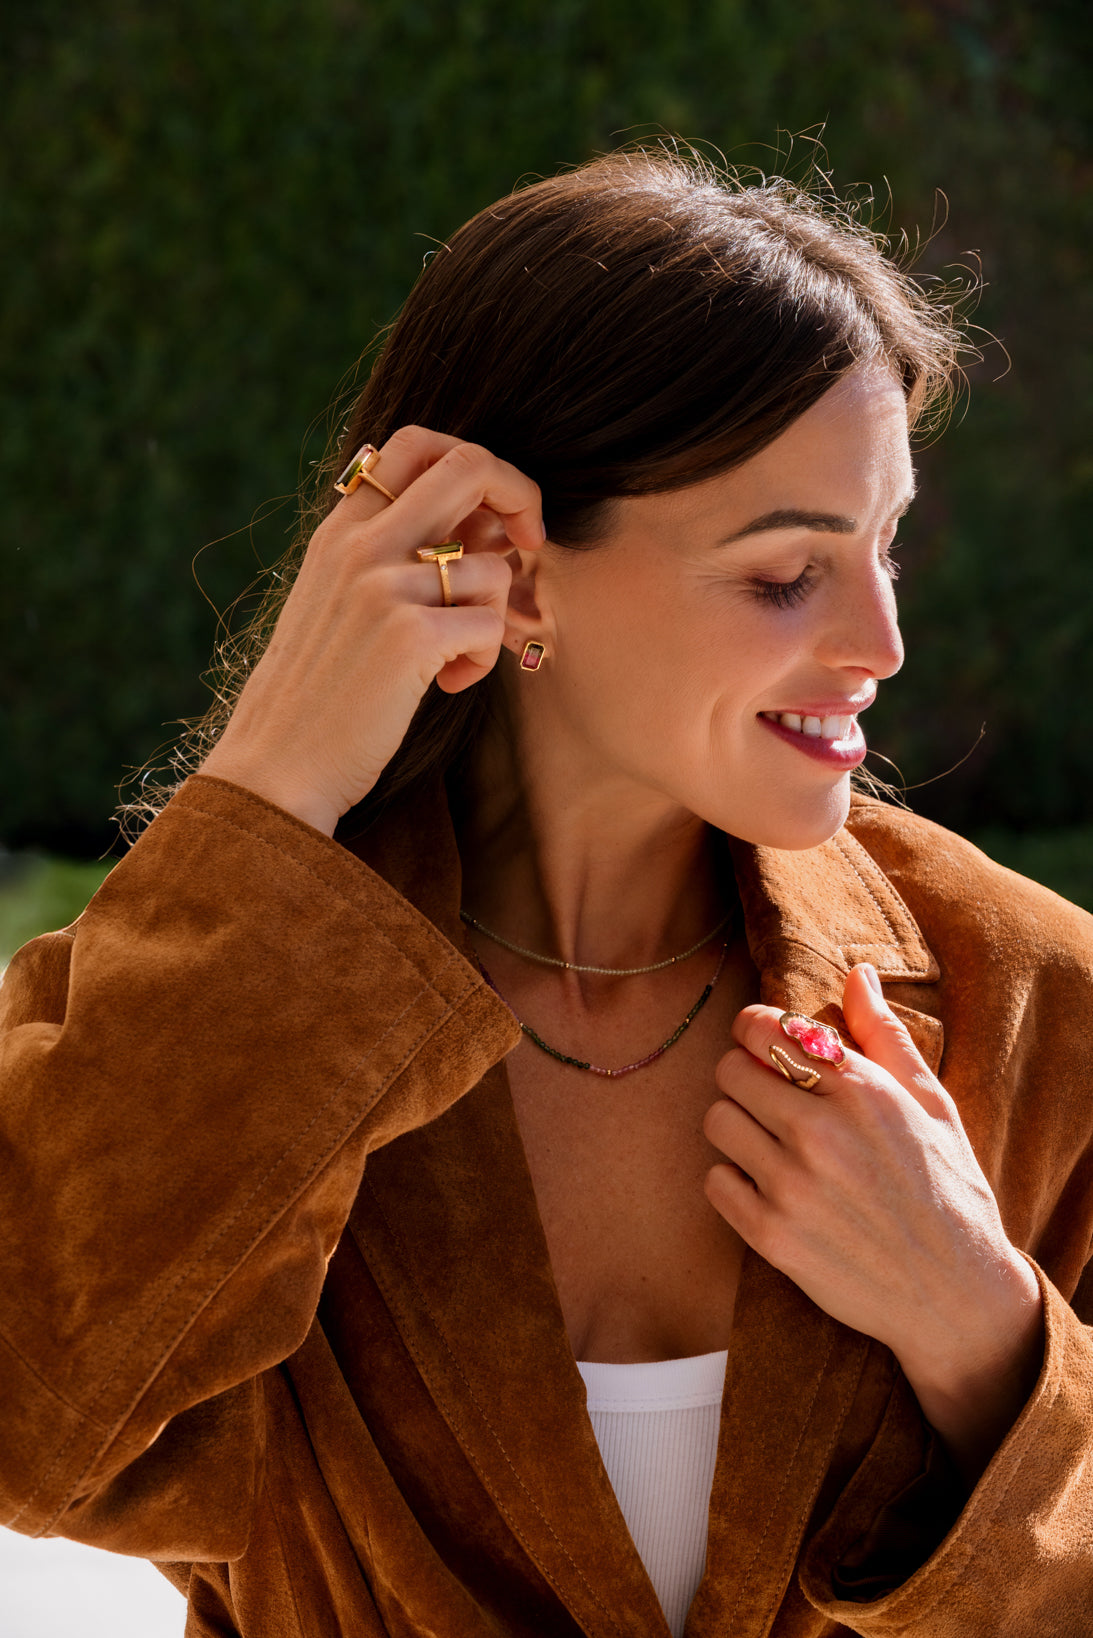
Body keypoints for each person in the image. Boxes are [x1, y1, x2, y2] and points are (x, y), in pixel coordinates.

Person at [2, 148, 1091, 1638]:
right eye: (786, 572)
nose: (882, 641)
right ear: (513, 571)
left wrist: (983, 1333)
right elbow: (34, 1434)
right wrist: (271, 779)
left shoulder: (1028, 999)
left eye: (886, 547)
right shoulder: (246, 1017)